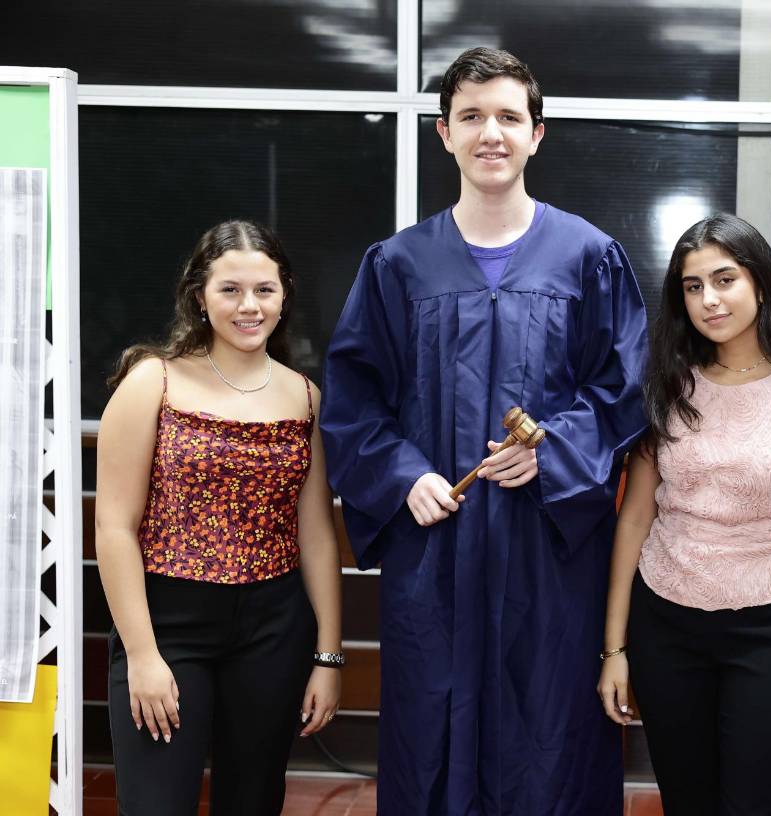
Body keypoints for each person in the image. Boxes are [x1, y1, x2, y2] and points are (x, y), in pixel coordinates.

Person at [320, 47, 648, 813]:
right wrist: (404, 477)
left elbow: (624, 390)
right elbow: (353, 402)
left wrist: (553, 454)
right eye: (471, 116)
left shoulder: (589, 258)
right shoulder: (398, 266)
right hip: (438, 553)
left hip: (550, 558)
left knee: (551, 740)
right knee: (432, 734)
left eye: (508, 116)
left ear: (537, 133)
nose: (490, 133)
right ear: (444, 134)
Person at [597, 213, 771, 814]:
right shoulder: (668, 388)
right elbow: (634, 520)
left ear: (760, 282)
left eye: (724, 279)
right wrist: (614, 649)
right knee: (687, 800)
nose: (709, 299)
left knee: (759, 802)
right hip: (666, 624)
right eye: (693, 286)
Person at [94, 220, 344, 815]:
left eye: (264, 289)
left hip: (274, 628)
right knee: (157, 804)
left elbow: (316, 535)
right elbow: (114, 528)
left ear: (284, 296)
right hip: (167, 624)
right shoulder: (152, 382)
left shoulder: (305, 397)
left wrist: (329, 656)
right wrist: (143, 655)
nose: (248, 306)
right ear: (199, 297)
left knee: (253, 801)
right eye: (230, 289)